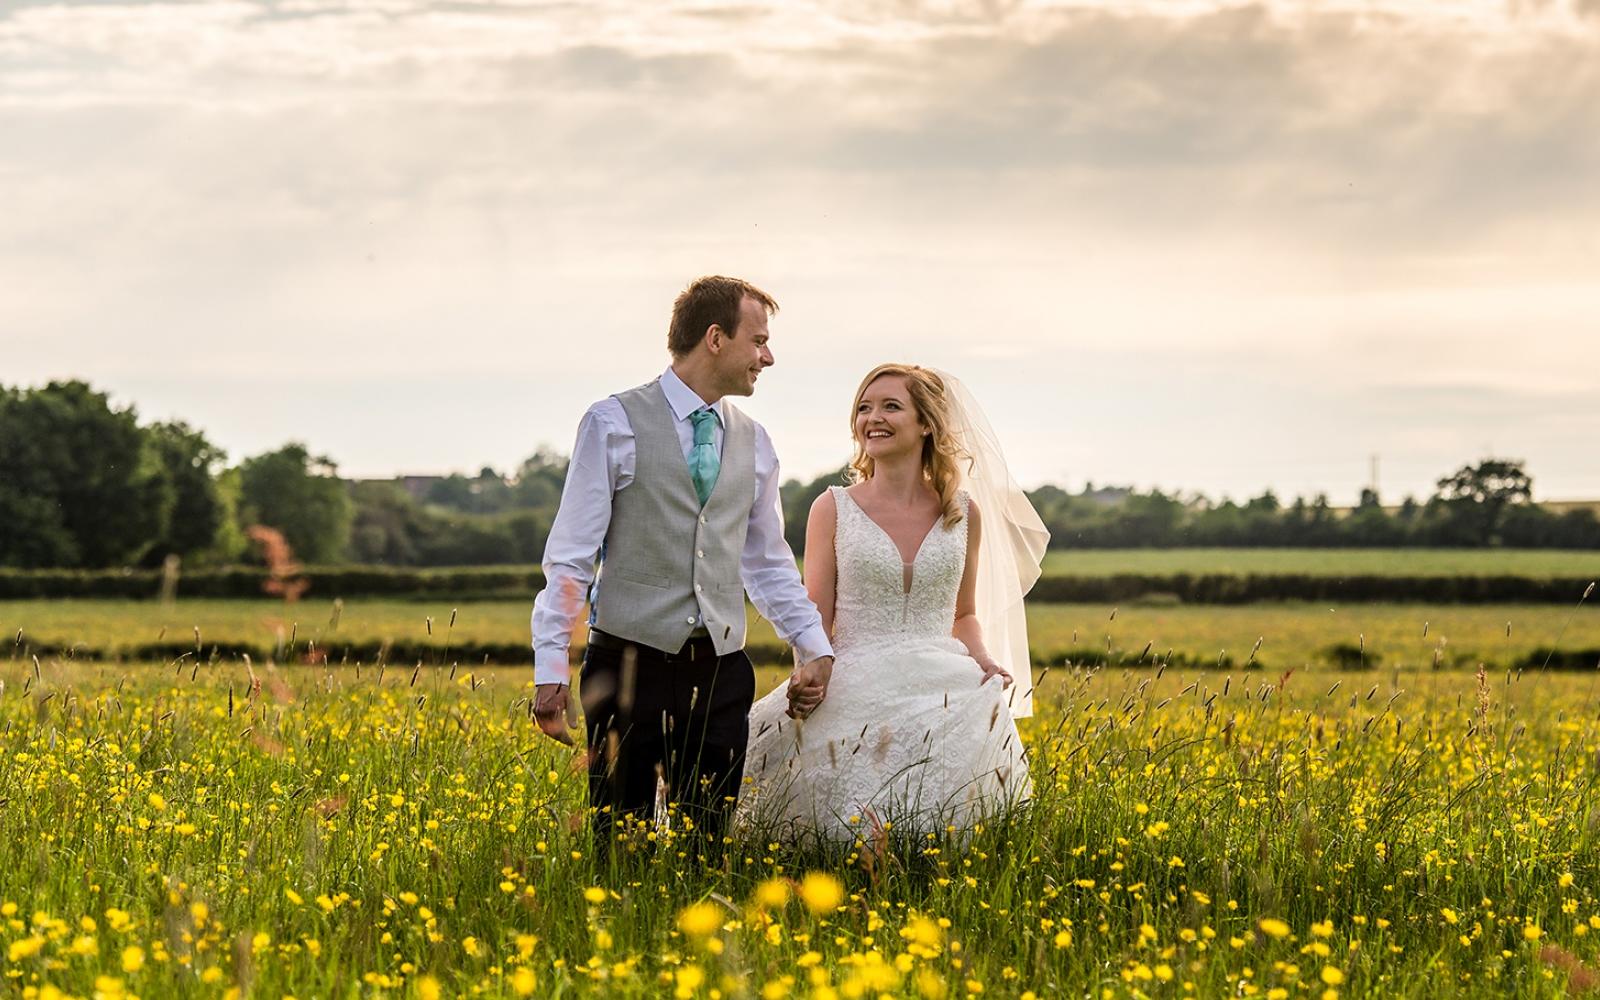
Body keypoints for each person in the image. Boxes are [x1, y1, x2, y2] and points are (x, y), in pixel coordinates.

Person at [529, 275, 835, 858]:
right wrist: (550, 667)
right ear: (716, 338)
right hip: (626, 663)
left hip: (721, 669)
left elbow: (769, 563)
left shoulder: (756, 441)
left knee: (708, 849)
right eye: (759, 341)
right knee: (620, 847)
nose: (767, 357)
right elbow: (571, 558)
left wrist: (811, 643)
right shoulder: (612, 422)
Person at [740, 363, 1048, 843]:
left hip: (943, 681)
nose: (872, 418)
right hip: (855, 679)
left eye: (890, 406)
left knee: (950, 834)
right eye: (864, 408)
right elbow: (816, 617)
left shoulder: (963, 512)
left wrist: (985, 660)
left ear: (926, 422)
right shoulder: (832, 508)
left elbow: (963, 613)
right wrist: (808, 675)